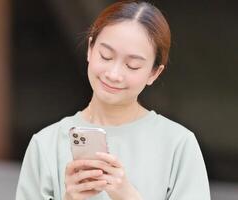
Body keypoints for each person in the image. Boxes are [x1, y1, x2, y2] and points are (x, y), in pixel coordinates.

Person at [16, 1, 210, 200]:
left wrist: (128, 196)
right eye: (106, 56)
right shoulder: (46, 144)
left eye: (132, 65)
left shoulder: (179, 144)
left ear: (154, 73)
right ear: (90, 49)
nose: (114, 74)